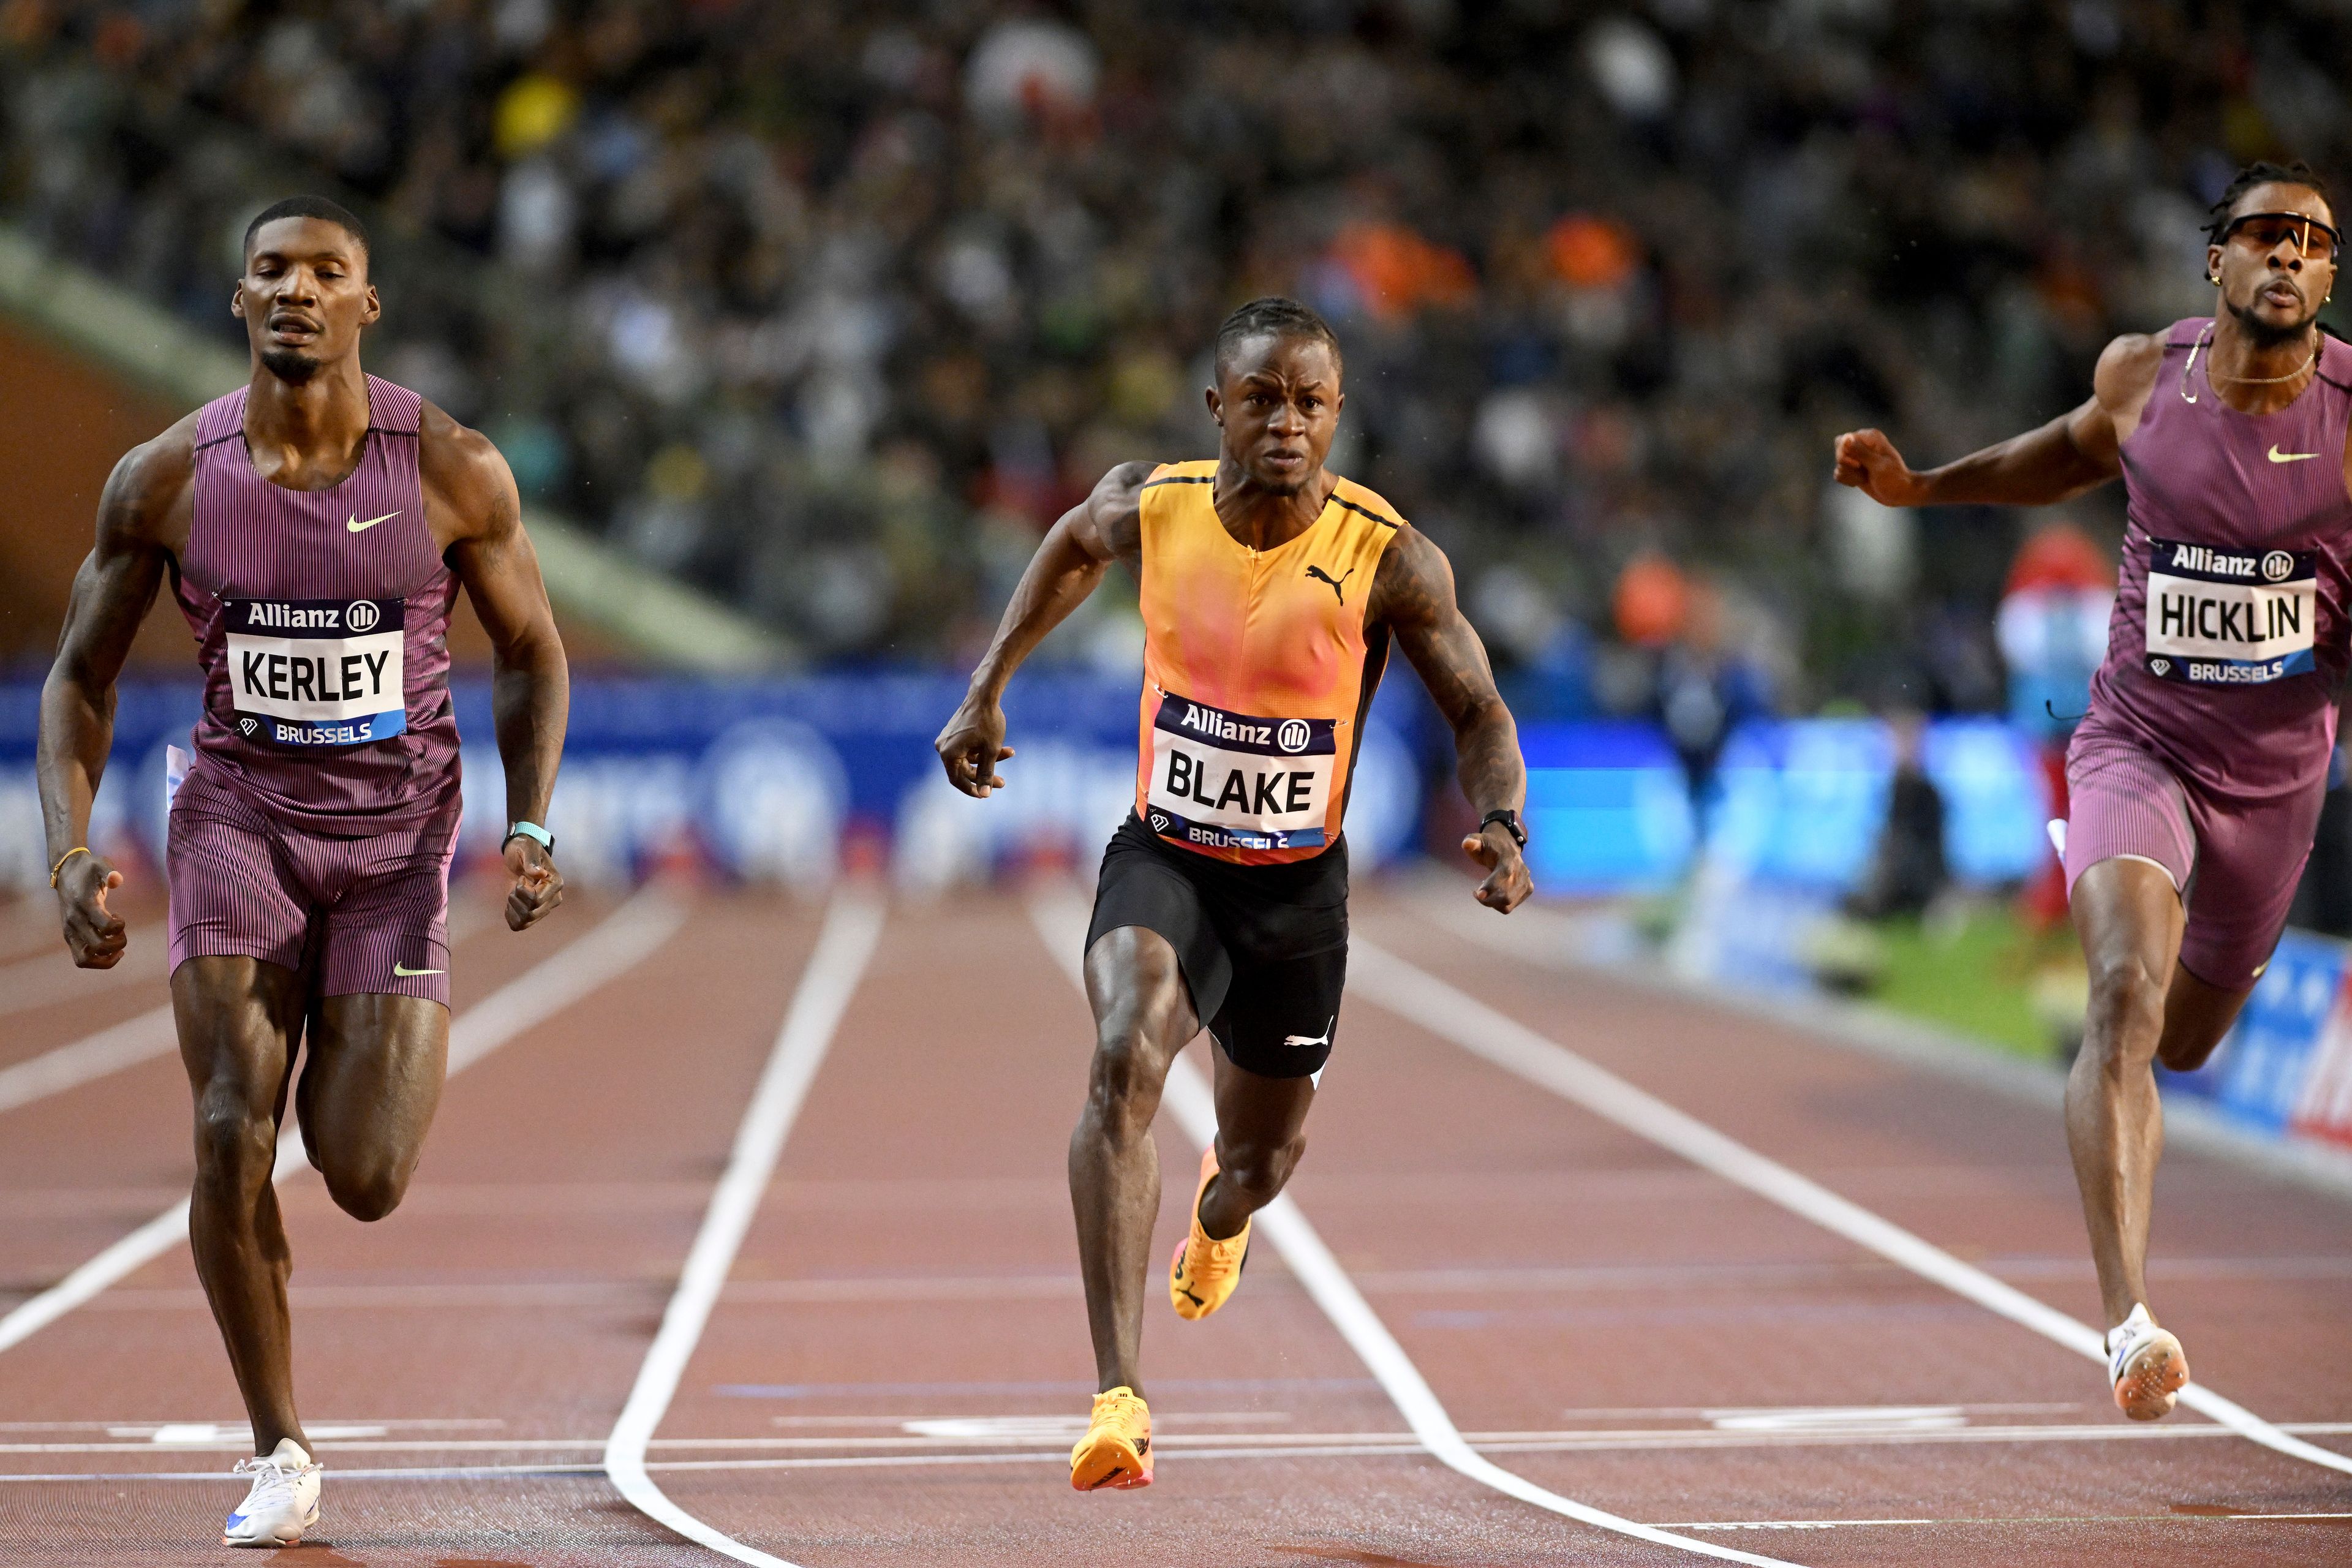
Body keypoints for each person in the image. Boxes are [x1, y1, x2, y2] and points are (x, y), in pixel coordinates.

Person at [37, 196, 570, 1545]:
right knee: (229, 1123)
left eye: (326, 272)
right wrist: (67, 845)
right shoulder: (164, 477)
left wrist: (533, 820)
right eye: (272, 270)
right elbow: (78, 680)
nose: (296, 290)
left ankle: (354, 1026)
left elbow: (535, 651)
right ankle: (280, 1445)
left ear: (363, 306)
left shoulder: (451, 466)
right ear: (239, 298)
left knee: (366, 1169)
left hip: (396, 841)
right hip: (236, 822)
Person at [935, 296, 1532, 1491]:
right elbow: (1066, 544)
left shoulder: (1389, 555)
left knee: (1257, 1157)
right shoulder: (1151, 507)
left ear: (1338, 413)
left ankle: (1221, 1218)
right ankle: (1119, 1394)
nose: (1286, 421)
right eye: (1261, 396)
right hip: (1167, 856)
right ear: (1217, 405)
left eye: (1310, 401)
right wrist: (987, 684)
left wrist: (1505, 822)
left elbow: (1479, 710)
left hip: (1296, 895)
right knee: (1123, 1053)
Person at [1831, 160, 2346, 1422]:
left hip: (2275, 784)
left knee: (2183, 1036)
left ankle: (2208, 980)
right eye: (2262, 235)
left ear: (2329, 275)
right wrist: (1924, 485)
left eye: (2314, 243)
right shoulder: (2140, 376)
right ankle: (2129, 1322)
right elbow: (2055, 456)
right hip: (2136, 744)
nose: (2288, 257)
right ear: (2213, 260)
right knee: (2120, 995)